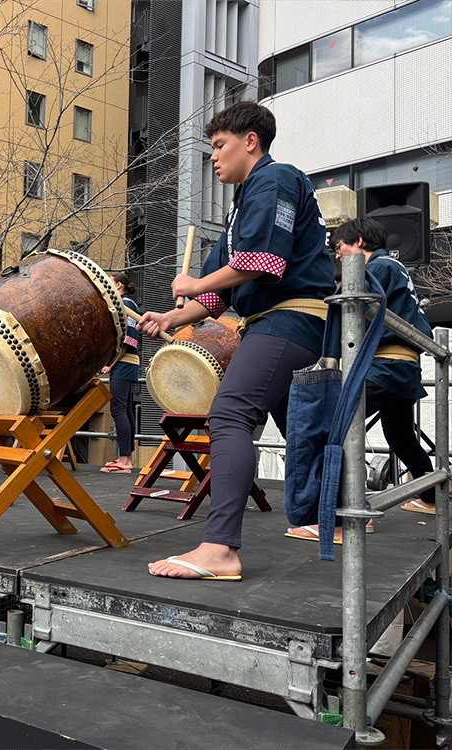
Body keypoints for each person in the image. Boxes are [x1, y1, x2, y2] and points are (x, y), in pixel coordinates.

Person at [138, 101, 335, 580]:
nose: (213, 157)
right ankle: (332, 519)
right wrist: (172, 315)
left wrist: (191, 287)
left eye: (220, 145)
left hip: (290, 319)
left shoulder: (275, 179)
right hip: (274, 320)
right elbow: (218, 296)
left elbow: (264, 264)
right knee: (303, 432)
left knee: (229, 414)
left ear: (251, 141)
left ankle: (221, 547)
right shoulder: (243, 204)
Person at [285, 218, 435, 543]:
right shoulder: (394, 268)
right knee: (401, 437)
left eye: (339, 248)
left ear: (359, 241)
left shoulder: (376, 269)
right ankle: (432, 498)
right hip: (403, 369)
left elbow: (347, 314)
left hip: (384, 367)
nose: (338, 256)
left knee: (335, 427)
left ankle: (347, 516)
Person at [100, 272, 140, 473]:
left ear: (117, 286)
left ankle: (124, 459)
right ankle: (126, 458)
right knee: (125, 409)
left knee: (118, 408)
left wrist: (110, 364)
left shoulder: (126, 304)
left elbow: (129, 339)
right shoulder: (124, 304)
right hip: (126, 364)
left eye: (109, 282)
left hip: (124, 363)